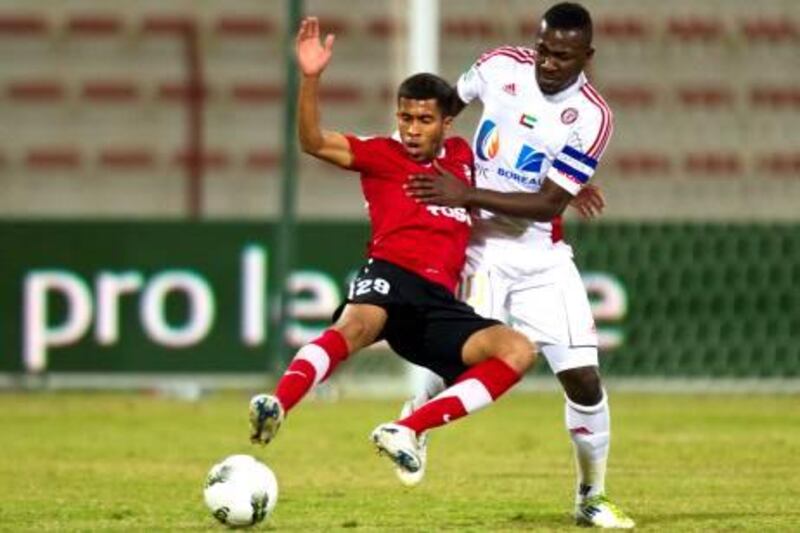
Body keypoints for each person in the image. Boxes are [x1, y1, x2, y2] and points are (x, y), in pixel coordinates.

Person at [248, 16, 538, 477]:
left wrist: (565, 187)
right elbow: (312, 141)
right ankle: (278, 402)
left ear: (446, 122)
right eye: (405, 118)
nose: (412, 129)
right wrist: (310, 77)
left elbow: (511, 175)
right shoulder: (382, 155)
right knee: (355, 326)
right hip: (391, 273)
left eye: (424, 120)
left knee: (518, 351)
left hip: (438, 300)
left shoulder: (464, 157)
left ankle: (408, 428)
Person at [402, 3, 634, 529]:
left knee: (584, 381)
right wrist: (426, 164)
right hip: (480, 247)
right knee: (468, 359)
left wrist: (467, 190)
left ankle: (590, 498)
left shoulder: (593, 117)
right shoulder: (498, 67)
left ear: (586, 56)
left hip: (541, 255)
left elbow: (550, 204)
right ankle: (413, 422)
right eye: (545, 51)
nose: (550, 64)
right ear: (536, 42)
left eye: (564, 57)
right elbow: (443, 108)